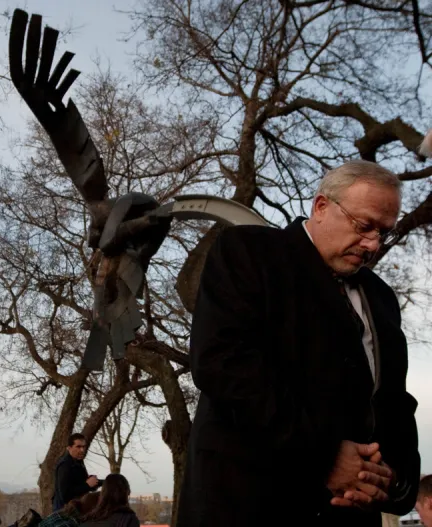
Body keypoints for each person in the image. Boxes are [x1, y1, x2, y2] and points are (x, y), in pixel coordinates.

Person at [178, 160, 420, 527]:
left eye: (383, 232)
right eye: (363, 225)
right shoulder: (248, 252)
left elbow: (392, 400)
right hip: (250, 507)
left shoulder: (381, 296)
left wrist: (394, 482)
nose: (372, 244)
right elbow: (223, 364)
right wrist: (323, 455)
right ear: (321, 207)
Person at [53, 434, 102, 511]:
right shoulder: (65, 465)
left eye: (83, 447)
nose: (82, 450)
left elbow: (81, 485)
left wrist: (106, 482)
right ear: (69, 448)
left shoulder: (78, 462)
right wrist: (87, 485)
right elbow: (65, 496)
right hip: (65, 514)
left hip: (76, 510)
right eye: (78, 447)